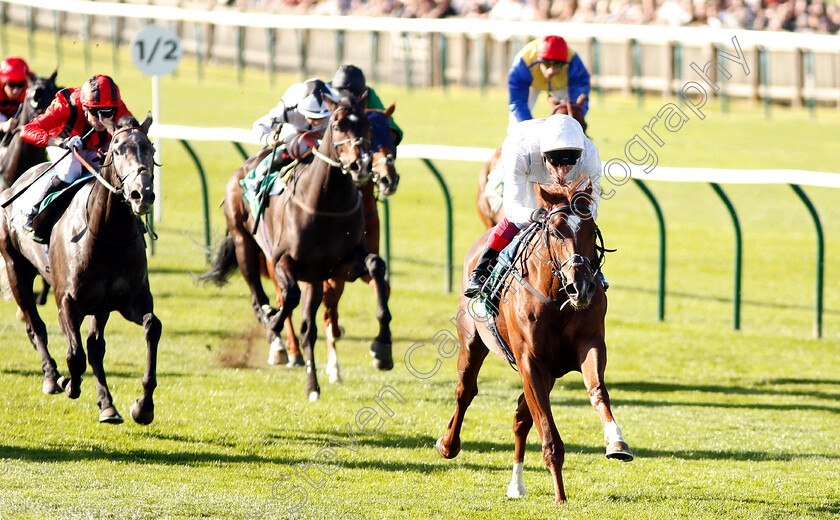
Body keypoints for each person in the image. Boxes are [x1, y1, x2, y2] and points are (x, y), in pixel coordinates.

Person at [464, 113, 603, 298]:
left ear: (580, 152)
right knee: (521, 220)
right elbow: (513, 208)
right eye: (556, 159)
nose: (562, 168)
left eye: (570, 158)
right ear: (543, 154)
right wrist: (534, 215)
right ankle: (481, 271)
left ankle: (594, 270)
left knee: (580, 224)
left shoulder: (589, 155)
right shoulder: (520, 150)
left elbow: (591, 210)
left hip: (554, 160)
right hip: (528, 168)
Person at [18, 74, 132, 235]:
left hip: (97, 147)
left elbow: (132, 135)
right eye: (95, 112)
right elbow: (27, 131)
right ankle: (34, 212)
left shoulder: (119, 108)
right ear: (84, 107)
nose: (101, 119)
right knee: (71, 170)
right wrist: (60, 142)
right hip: (64, 145)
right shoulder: (65, 105)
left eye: (107, 112)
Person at [250, 78, 339, 187]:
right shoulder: (289, 108)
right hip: (295, 130)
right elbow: (259, 126)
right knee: (297, 146)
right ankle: (259, 178)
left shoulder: (334, 105)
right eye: (313, 118)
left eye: (321, 118)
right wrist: (269, 139)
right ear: (303, 112)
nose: (317, 122)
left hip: (323, 133)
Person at [506, 35, 591, 133]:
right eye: (546, 64)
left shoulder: (573, 61)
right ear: (538, 59)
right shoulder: (524, 61)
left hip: (562, 84)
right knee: (517, 127)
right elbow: (517, 103)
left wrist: (575, 122)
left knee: (571, 124)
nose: (551, 71)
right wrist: (530, 132)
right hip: (530, 83)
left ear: (564, 62)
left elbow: (579, 106)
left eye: (557, 64)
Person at [330, 64, 403, 146]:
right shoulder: (326, 94)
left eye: (355, 94)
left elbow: (388, 123)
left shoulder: (368, 94)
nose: (349, 98)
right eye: (344, 93)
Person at [0, 56, 30, 135]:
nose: (16, 90)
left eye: (21, 85)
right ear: (2, 82)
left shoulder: (30, 89)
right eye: (11, 84)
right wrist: (3, 125)